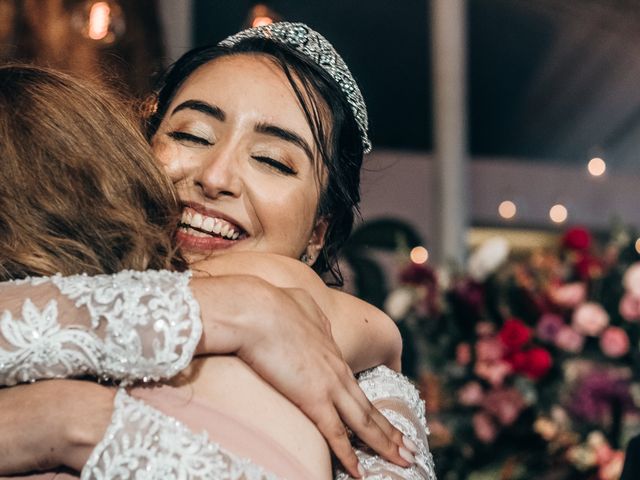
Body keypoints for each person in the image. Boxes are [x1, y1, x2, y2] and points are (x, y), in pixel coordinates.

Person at [0, 22, 435, 479]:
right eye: (191, 135)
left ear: (317, 236)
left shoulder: (368, 393)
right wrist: (233, 308)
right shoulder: (40, 269)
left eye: (271, 160)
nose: (216, 177)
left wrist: (79, 421)